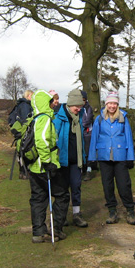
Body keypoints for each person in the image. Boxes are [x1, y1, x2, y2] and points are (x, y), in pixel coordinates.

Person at [27, 90, 70, 243]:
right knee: (62, 195)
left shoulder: (34, 118)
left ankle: (38, 233)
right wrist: (47, 162)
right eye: (50, 101)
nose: (53, 103)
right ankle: (55, 230)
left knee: (38, 198)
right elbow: (42, 141)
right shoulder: (44, 119)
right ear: (45, 103)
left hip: (34, 167)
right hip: (45, 166)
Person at [88, 91, 135, 225]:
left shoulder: (123, 118)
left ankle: (130, 210)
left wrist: (130, 157)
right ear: (106, 104)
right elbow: (94, 138)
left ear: (117, 104)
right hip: (104, 156)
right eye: (110, 103)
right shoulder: (99, 119)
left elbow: (128, 137)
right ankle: (112, 211)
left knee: (124, 185)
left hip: (120, 156)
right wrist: (92, 157)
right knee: (107, 185)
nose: (112, 106)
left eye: (114, 103)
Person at [53, 89, 89, 228]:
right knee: (62, 189)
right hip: (62, 160)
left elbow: (81, 140)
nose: (79, 109)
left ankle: (76, 214)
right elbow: (54, 139)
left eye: (81, 106)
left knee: (76, 187)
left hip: (76, 161)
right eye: (77, 106)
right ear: (70, 104)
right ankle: (60, 216)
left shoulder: (78, 118)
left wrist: (84, 159)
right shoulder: (59, 117)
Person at [16, 89, 34, 179]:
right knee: (25, 150)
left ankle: (23, 172)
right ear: (28, 96)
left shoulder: (23, 104)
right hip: (24, 131)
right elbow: (25, 119)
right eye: (32, 96)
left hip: (22, 132)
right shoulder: (25, 105)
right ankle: (24, 171)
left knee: (22, 150)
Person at [81, 90, 95, 181]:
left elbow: (87, 121)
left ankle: (89, 170)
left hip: (88, 133)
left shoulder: (88, 108)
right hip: (80, 133)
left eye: (83, 99)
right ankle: (82, 169)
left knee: (87, 151)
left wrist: (80, 124)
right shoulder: (78, 108)